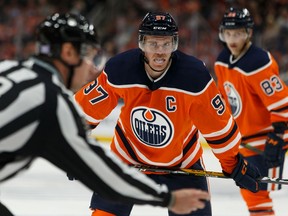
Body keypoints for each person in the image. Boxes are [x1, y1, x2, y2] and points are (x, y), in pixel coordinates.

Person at [0, 12, 212, 216]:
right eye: (88, 55)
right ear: (67, 53)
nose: (92, 67)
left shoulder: (8, 69)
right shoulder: (51, 102)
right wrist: (170, 200)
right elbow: (106, 177)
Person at [74, 11, 261, 216]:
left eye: (166, 44)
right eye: (153, 44)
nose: (160, 52)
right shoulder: (120, 69)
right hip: (127, 159)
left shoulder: (194, 77)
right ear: (141, 44)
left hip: (182, 165)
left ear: (175, 45)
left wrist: (231, 162)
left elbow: (218, 127)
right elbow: (85, 110)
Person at [214, 7, 288, 216]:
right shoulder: (221, 60)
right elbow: (225, 100)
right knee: (252, 191)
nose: (232, 39)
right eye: (228, 33)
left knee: (255, 191)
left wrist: (277, 134)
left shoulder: (258, 61)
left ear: (248, 33)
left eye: (237, 33)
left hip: (269, 135)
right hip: (246, 137)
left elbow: (281, 101)